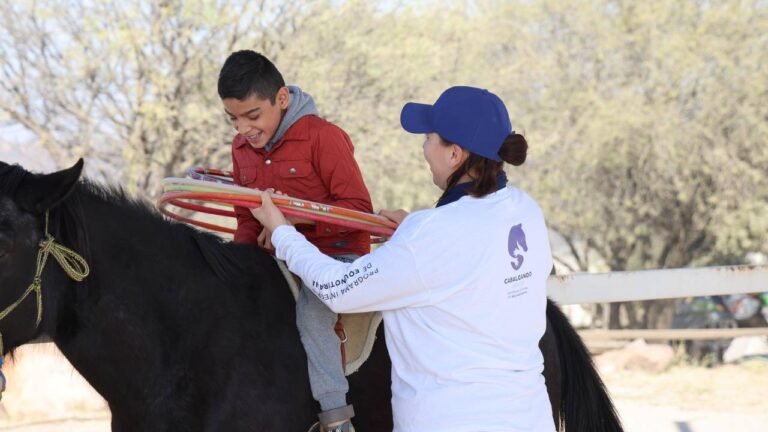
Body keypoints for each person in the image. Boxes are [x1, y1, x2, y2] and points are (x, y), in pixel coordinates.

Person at [252, 86, 557, 432]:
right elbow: (467, 253)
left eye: (429, 137)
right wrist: (414, 229)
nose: (424, 147)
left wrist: (281, 231)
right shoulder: (526, 211)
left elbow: (336, 288)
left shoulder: (431, 235)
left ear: (455, 154)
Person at [218, 50, 372, 432]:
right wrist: (239, 261)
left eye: (252, 116)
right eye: (233, 119)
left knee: (312, 311)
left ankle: (336, 417)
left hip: (336, 256)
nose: (243, 130)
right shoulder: (241, 149)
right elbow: (245, 218)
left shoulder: (324, 138)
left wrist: (287, 223)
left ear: (282, 99)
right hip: (280, 254)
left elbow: (357, 209)